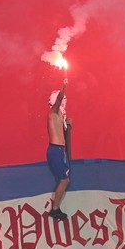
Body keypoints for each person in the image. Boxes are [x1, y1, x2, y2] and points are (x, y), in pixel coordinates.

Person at [46, 78, 71, 220]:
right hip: (55, 150)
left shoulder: (60, 115)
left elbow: (64, 135)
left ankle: (55, 208)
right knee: (64, 180)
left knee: (64, 180)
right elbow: (59, 99)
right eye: (63, 98)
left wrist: (68, 125)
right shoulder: (52, 113)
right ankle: (54, 209)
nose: (64, 100)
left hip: (60, 151)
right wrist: (64, 86)